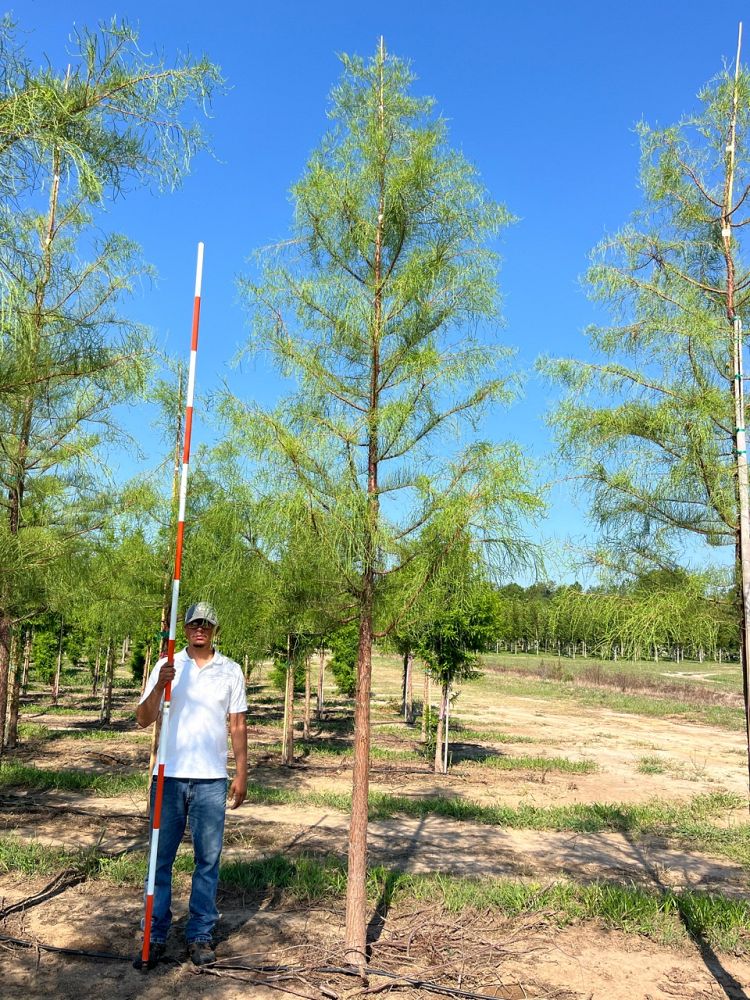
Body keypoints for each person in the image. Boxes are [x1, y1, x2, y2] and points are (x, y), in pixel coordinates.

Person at [136, 602, 248, 967]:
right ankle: (154, 934)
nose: (200, 629)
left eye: (206, 624)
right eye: (194, 623)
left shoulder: (230, 670)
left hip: (211, 780)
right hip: (168, 778)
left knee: (207, 860)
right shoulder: (168, 665)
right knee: (159, 859)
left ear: (214, 629)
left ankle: (200, 934)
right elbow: (142, 718)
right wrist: (161, 686)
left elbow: (237, 725)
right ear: (184, 629)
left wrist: (242, 772)